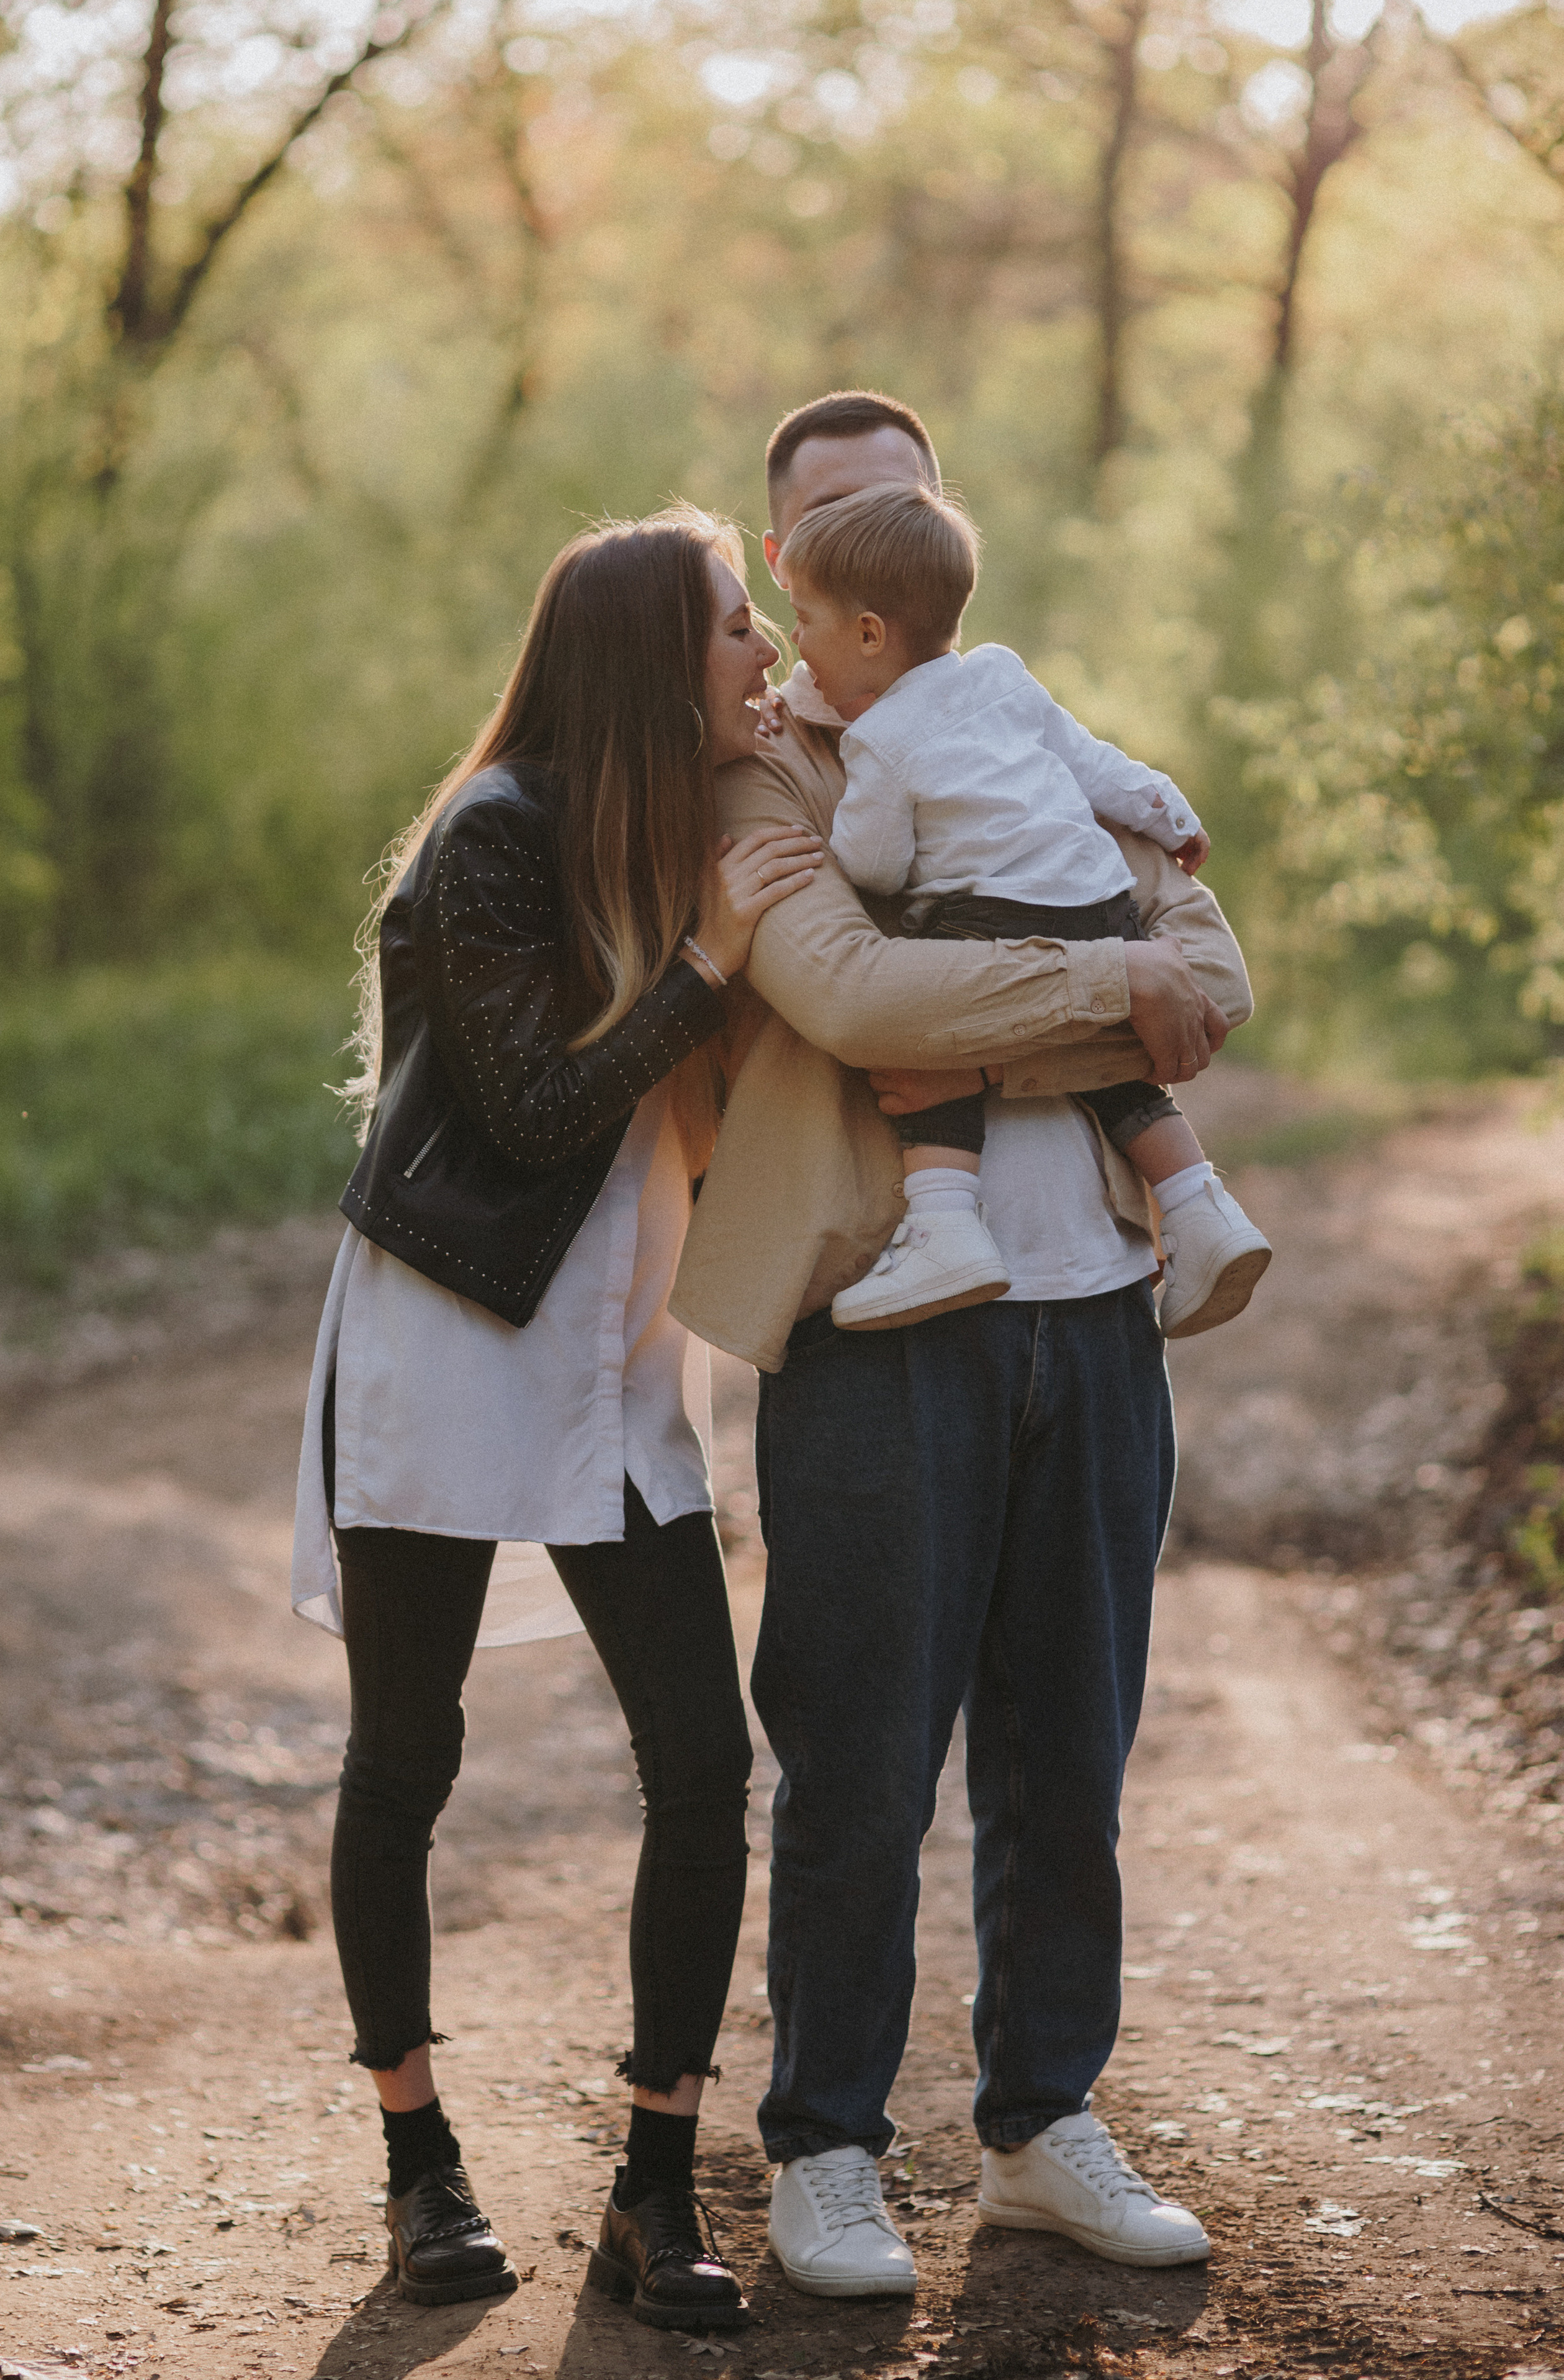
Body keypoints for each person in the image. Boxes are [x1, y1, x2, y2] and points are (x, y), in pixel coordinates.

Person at [669, 390, 1254, 2294]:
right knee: (854, 1758)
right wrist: (1105, 989)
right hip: (876, 1315)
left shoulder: (1010, 718)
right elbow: (846, 996)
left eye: (895, 506)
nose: (859, 542)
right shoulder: (754, 774)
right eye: (826, 518)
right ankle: (827, 2146)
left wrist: (1004, 1012)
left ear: (932, 537)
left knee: (1068, 1748)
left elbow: (1218, 977)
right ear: (787, 563)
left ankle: (1039, 2123)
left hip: (1093, 1311)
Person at [287, 505, 822, 2324]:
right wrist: (707, 968)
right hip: (444, 1334)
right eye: (736, 629)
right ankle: (418, 2164)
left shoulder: (688, 820)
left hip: (610, 1358)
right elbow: (525, 1110)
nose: (763, 654)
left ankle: (655, 2185)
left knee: (701, 1758)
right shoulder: (495, 833)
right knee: (407, 1754)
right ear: (643, 662)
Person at [772, 477, 1270, 1338]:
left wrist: (844, 825)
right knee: (1123, 1071)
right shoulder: (1002, 675)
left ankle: (944, 1223)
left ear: (867, 634)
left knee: (939, 1013)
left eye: (806, 619)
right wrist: (1170, 814)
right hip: (1102, 902)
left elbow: (876, 865)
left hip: (996, 919)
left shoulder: (879, 741)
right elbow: (1095, 765)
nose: (795, 642)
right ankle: (1199, 1203)